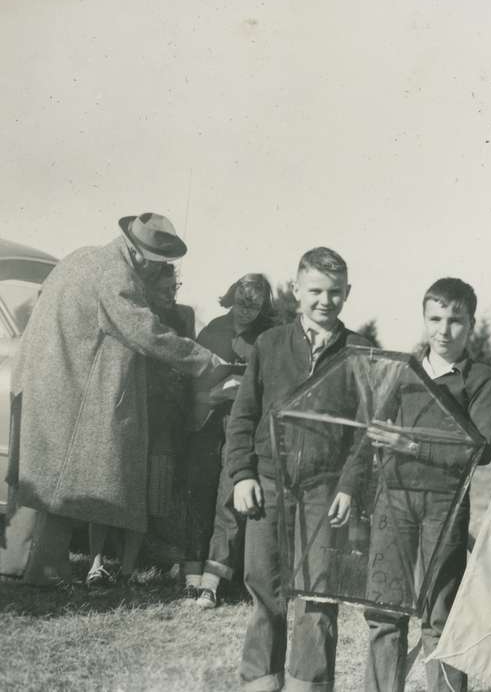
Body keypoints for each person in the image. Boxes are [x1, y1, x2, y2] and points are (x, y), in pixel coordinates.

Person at [1, 213, 223, 586]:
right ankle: (46, 574)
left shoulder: (82, 256)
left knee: (39, 482)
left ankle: (22, 567)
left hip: (41, 382)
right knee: (63, 485)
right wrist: (206, 360)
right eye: (158, 265)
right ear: (140, 256)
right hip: (68, 389)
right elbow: (144, 331)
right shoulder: (117, 273)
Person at [225, 247, 370, 692]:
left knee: (319, 597)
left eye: (336, 292)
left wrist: (349, 484)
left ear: (348, 293)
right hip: (269, 485)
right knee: (264, 591)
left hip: (326, 492)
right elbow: (244, 416)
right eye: (316, 291)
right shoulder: (269, 345)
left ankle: (309, 684)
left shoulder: (360, 352)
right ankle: (260, 683)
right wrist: (242, 474)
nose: (325, 301)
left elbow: (369, 431)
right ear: (296, 289)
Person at [362, 277, 491, 692]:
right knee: (385, 609)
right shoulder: (403, 372)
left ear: (471, 324)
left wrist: (411, 444)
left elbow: (482, 448)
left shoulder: (479, 380)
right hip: (393, 502)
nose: (444, 329)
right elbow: (373, 430)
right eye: (435, 318)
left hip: (446, 506)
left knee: (441, 614)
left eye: (455, 320)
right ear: (424, 320)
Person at [85, 262, 196, 586]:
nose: (171, 295)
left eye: (175, 288)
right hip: (126, 412)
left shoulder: (182, 318)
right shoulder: (129, 315)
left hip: (163, 417)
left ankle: (128, 569)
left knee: (150, 493)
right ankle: (95, 564)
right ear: (146, 288)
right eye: (164, 289)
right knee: (107, 487)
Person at [183, 273, 276, 607]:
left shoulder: (267, 337)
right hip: (205, 422)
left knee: (228, 498)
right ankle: (191, 574)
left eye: (253, 307)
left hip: (242, 428)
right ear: (230, 298)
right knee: (199, 494)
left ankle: (212, 581)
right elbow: (189, 378)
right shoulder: (213, 331)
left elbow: (269, 387)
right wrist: (211, 394)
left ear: (264, 306)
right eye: (240, 303)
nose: (244, 312)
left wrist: (239, 391)